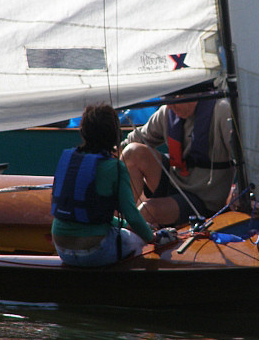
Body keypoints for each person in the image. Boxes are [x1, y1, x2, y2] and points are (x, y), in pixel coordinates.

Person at [51, 103, 176, 267]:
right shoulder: (114, 167)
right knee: (140, 241)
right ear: (114, 134)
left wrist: (125, 225)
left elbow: (90, 212)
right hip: (94, 251)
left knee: (123, 232)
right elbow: (131, 214)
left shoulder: (68, 159)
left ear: (83, 132)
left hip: (61, 248)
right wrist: (154, 237)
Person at [120, 95, 234, 227]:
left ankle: (122, 238)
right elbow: (137, 138)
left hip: (203, 200)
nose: (169, 105)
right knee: (132, 152)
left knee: (147, 211)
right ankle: (116, 222)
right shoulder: (168, 111)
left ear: (192, 95)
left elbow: (244, 158)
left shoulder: (222, 111)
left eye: (174, 98)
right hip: (175, 182)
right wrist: (112, 152)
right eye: (167, 99)